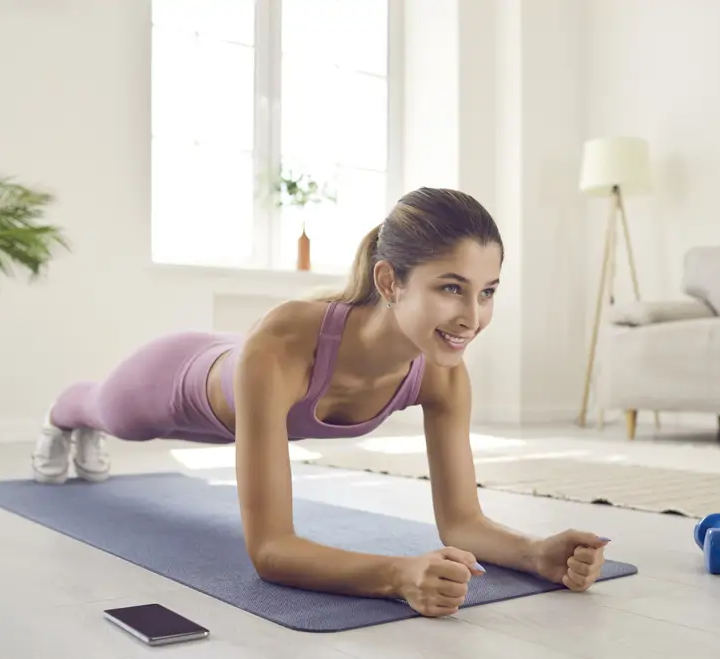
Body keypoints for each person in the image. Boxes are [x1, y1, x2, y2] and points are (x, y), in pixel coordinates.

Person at [30, 187, 611, 617]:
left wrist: (535, 553)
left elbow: (461, 522)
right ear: (389, 282)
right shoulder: (283, 342)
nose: (472, 318)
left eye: (487, 293)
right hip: (178, 380)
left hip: (252, 386)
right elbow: (271, 549)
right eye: (450, 288)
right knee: (104, 411)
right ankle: (61, 420)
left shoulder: (443, 373)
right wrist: (396, 575)